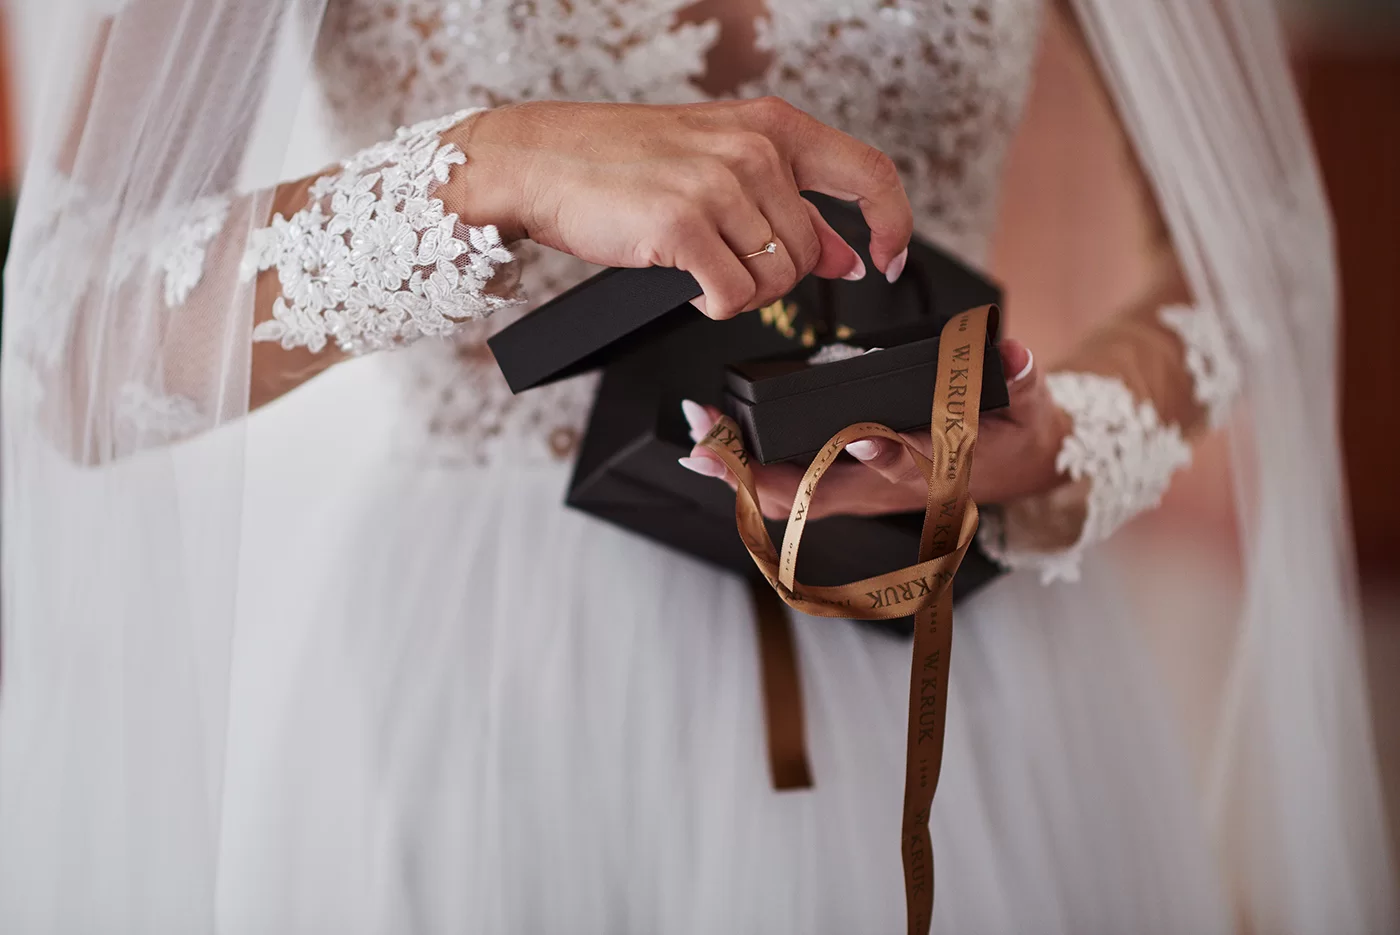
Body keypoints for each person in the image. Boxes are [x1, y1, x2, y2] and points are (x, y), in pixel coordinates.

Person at [0, 1, 1392, 932]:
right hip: (505, 683)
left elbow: (1254, 248)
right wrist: (484, 171)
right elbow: (71, 337)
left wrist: (1063, 437)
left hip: (944, 659)